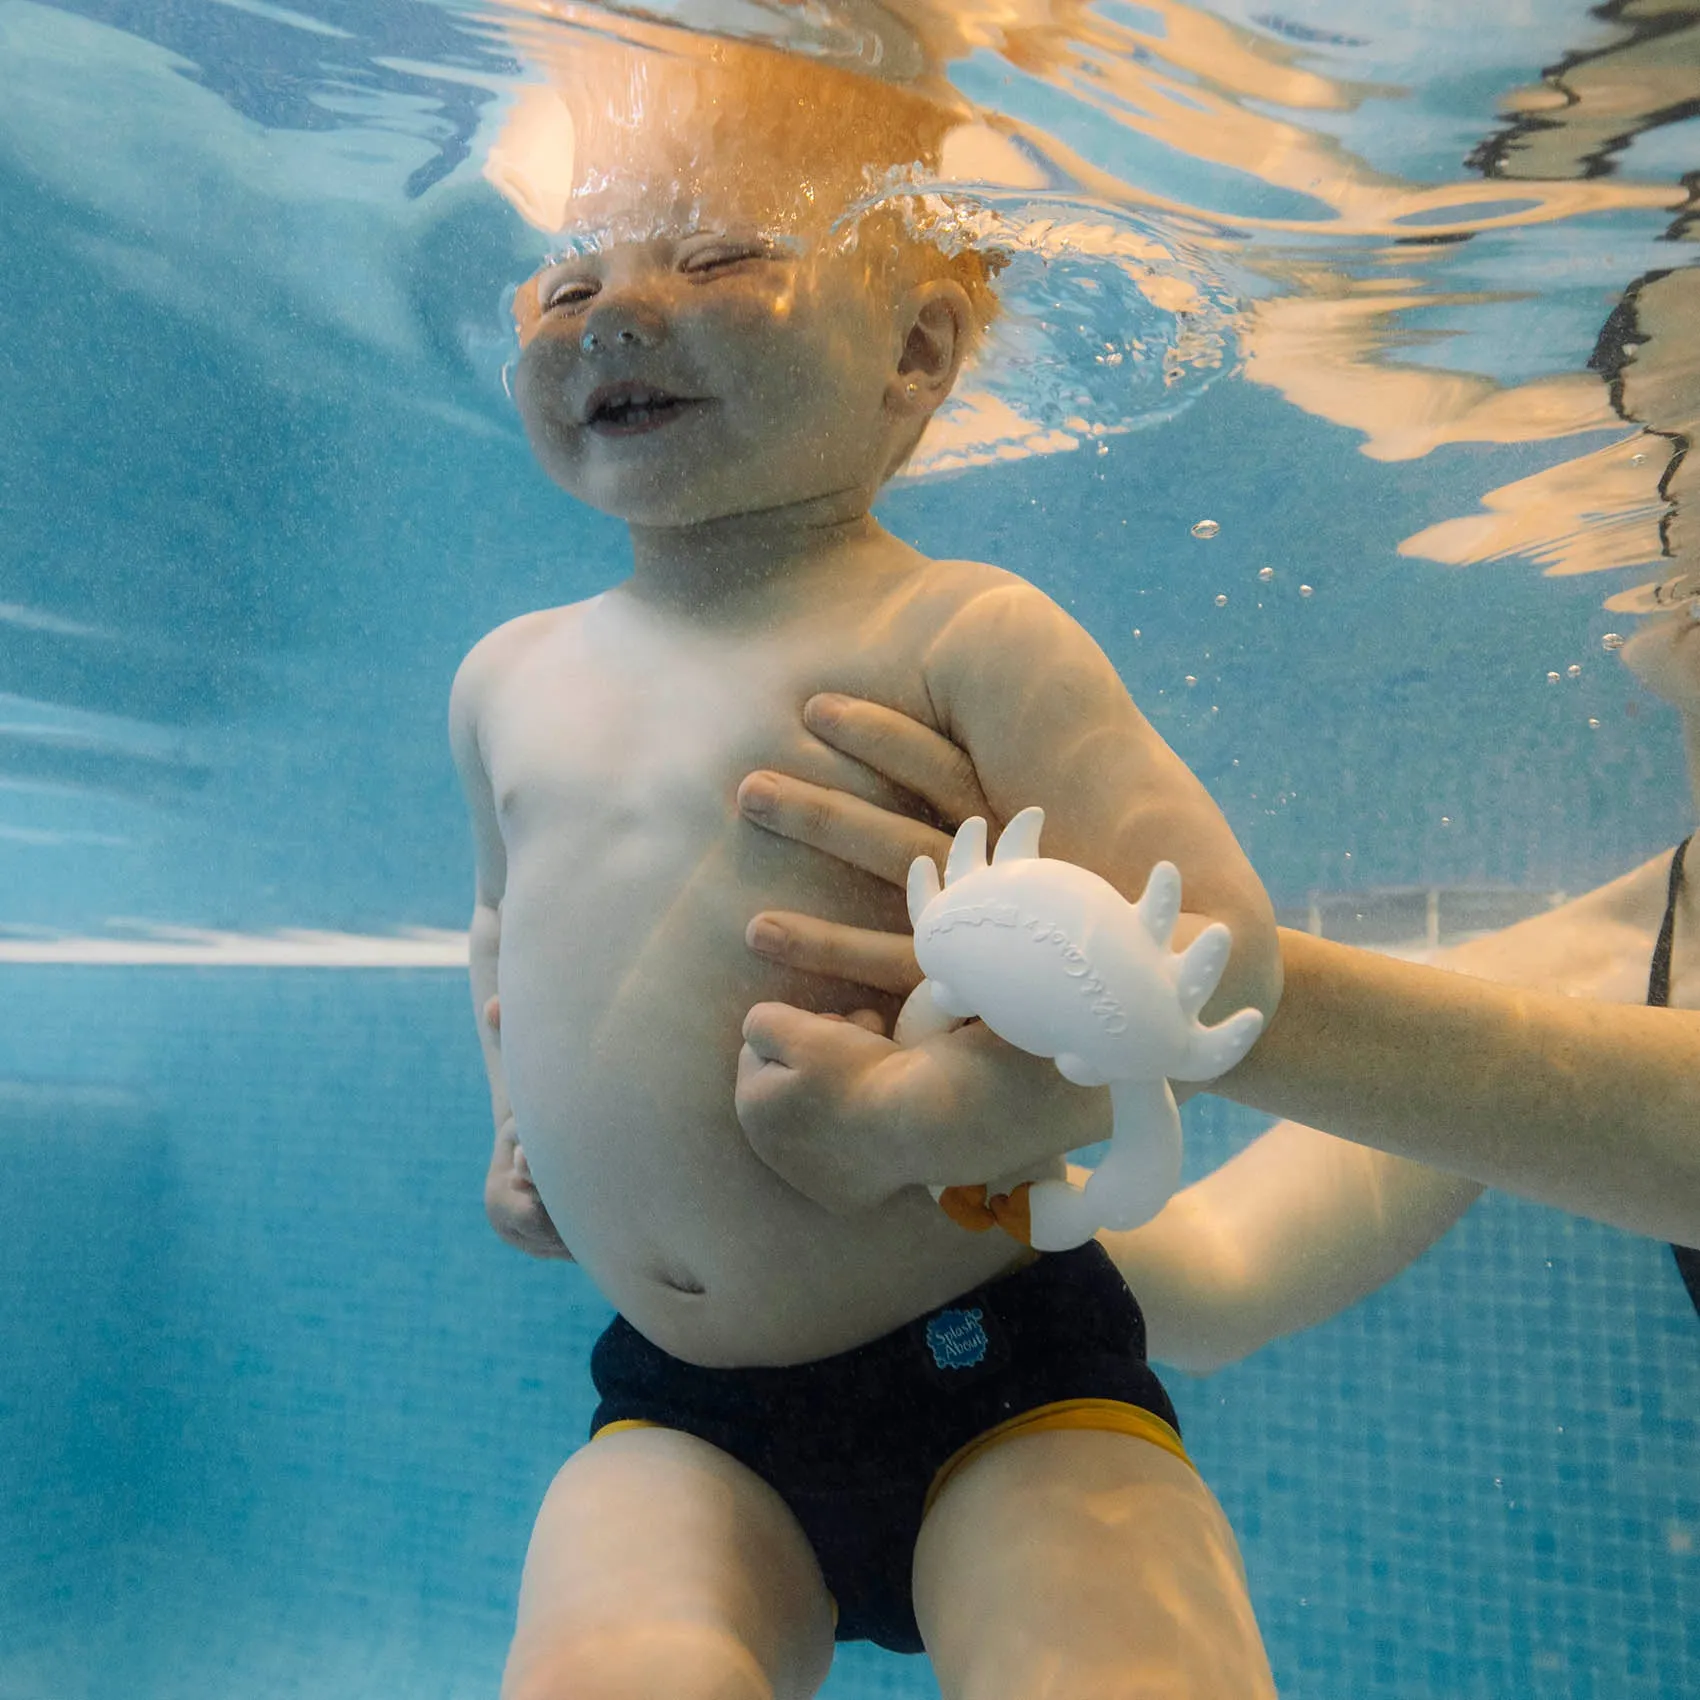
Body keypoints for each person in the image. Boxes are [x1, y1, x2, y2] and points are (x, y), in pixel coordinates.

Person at [455, 32, 1283, 1699]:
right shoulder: (505, 678)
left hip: (1005, 1379)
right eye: (566, 278)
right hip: (684, 1409)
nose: (613, 307)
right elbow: (502, 932)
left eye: (718, 255)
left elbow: (1218, 964)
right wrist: (520, 1131)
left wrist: (923, 1121)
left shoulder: (963, 632)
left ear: (915, 351)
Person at [679, 598, 1698, 1374]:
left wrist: (1080, 947)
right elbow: (1222, 1276)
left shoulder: (1562, 992)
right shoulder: (1561, 972)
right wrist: (931, 1141)